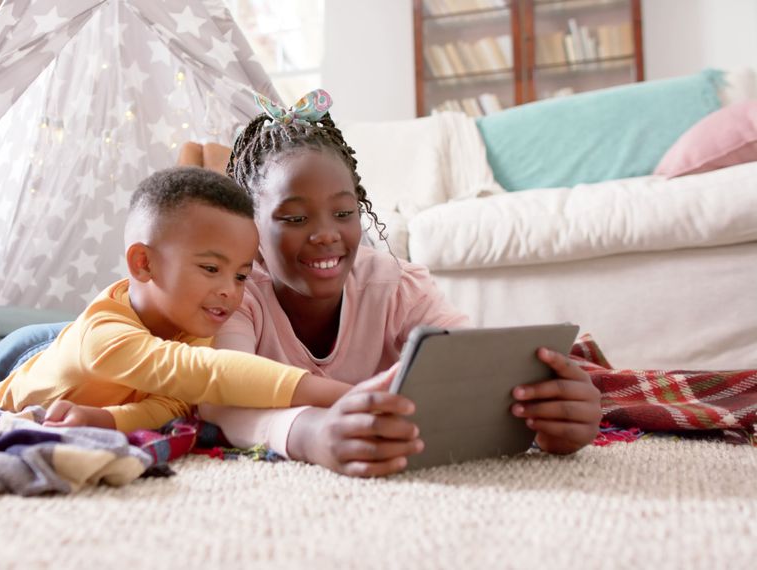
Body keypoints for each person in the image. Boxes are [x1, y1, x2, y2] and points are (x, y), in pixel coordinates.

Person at [200, 89, 602, 477]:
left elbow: (471, 370)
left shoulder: (394, 286)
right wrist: (309, 434)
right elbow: (223, 401)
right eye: (294, 218)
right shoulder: (234, 297)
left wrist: (545, 414)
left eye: (343, 213)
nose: (326, 234)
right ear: (250, 231)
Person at [0, 166, 360, 433]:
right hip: (19, 367)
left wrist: (111, 420)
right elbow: (208, 374)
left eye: (242, 274)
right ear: (144, 264)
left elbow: (172, 403)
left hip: (89, 344)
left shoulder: (194, 330)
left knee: (77, 338)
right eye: (211, 269)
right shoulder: (106, 337)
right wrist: (346, 395)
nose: (230, 289)